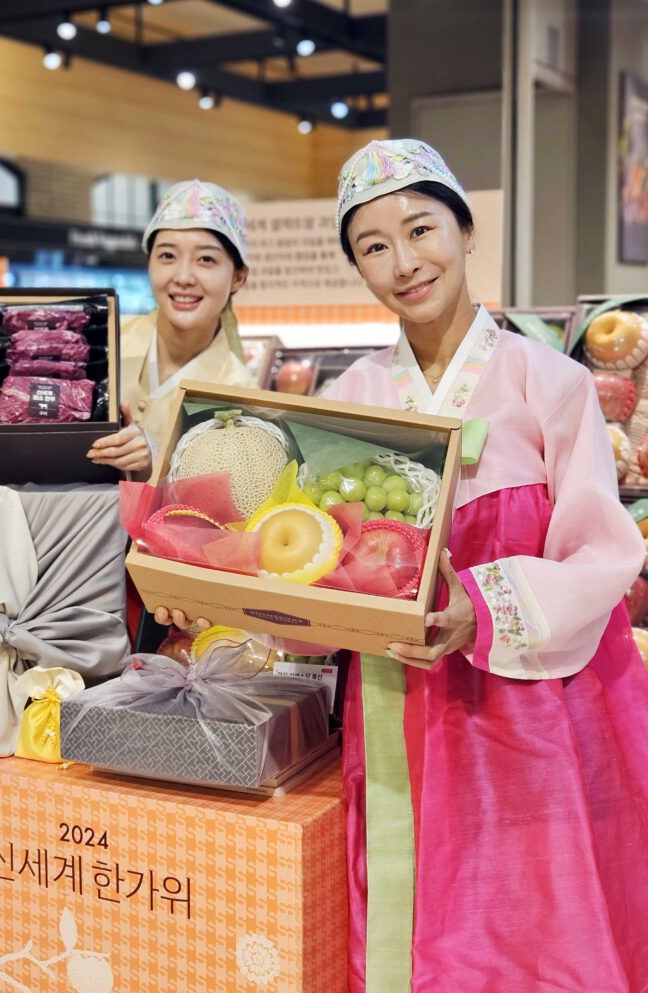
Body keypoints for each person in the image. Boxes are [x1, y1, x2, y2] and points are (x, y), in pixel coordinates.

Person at [159, 140, 648, 992]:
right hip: (396, 704)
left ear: (465, 231)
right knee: (411, 924)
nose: (404, 262)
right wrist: (214, 589)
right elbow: (309, 560)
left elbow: (603, 552)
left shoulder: (550, 383)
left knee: (537, 925)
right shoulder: (349, 399)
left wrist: (480, 608)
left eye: (421, 230)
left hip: (534, 713)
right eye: (374, 246)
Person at [87, 179, 254, 475]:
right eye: (168, 256)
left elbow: (224, 491)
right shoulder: (104, 340)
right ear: (149, 264)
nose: (183, 277)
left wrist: (155, 460)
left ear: (238, 277)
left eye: (206, 259)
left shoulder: (238, 394)